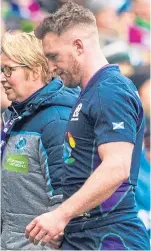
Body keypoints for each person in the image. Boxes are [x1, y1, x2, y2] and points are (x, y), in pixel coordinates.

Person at [25, 1, 150, 250]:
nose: (50, 67)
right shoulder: (89, 93)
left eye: (53, 56)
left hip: (111, 238)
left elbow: (116, 167)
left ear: (79, 46)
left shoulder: (110, 91)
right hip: (85, 235)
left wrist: (61, 215)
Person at [1, 31, 80, 250]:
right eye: (1, 69)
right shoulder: (15, 115)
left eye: (9, 70)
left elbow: (65, 198)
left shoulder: (56, 121)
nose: (2, 77)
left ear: (35, 70)